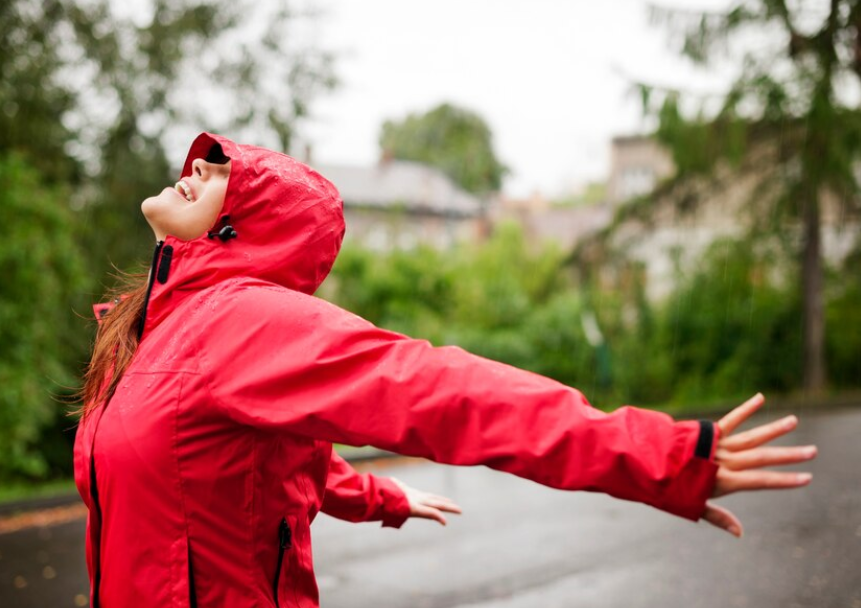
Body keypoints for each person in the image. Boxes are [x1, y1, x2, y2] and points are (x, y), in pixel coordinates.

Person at [75, 133, 816, 608]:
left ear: (247, 224)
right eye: (199, 163)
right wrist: (377, 494)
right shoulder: (145, 331)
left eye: (219, 174)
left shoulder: (241, 323)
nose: (195, 170)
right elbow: (242, 460)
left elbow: (444, 390)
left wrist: (659, 458)